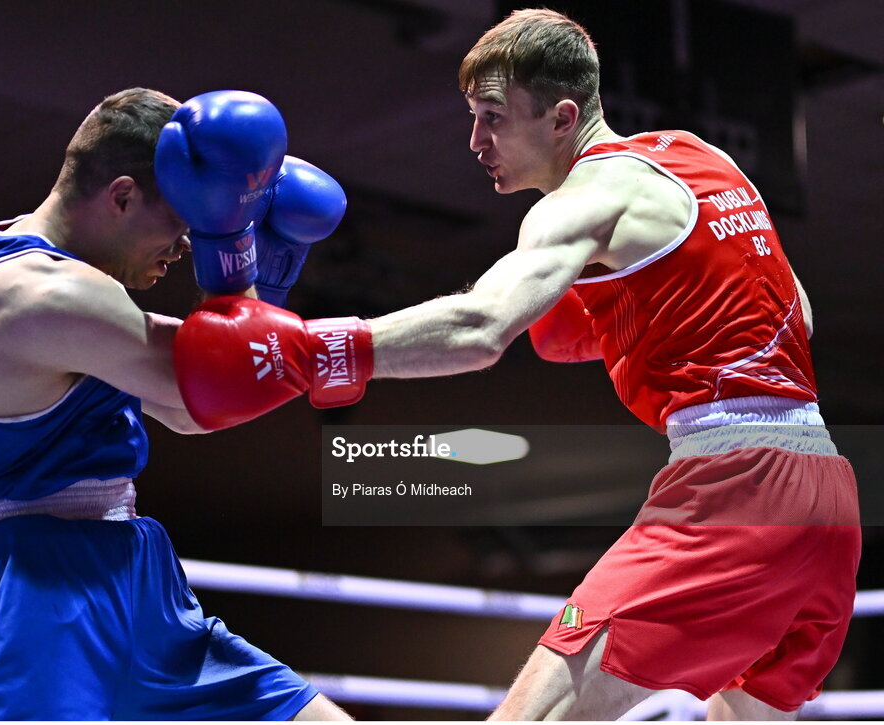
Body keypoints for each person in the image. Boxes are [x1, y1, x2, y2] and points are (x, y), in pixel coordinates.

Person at [171, 9, 861, 721]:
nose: (476, 141)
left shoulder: (581, 200)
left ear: (563, 118)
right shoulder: (700, 161)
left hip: (734, 488)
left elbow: (481, 327)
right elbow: (795, 312)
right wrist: (624, 318)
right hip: (830, 496)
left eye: (494, 117)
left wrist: (317, 351)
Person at [0, 87, 353, 720]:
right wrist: (241, 258)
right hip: (45, 592)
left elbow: (193, 411)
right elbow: (209, 384)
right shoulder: (37, 292)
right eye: (183, 223)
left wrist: (266, 281)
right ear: (123, 196)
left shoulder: (85, 292)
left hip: (136, 574)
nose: (186, 246)